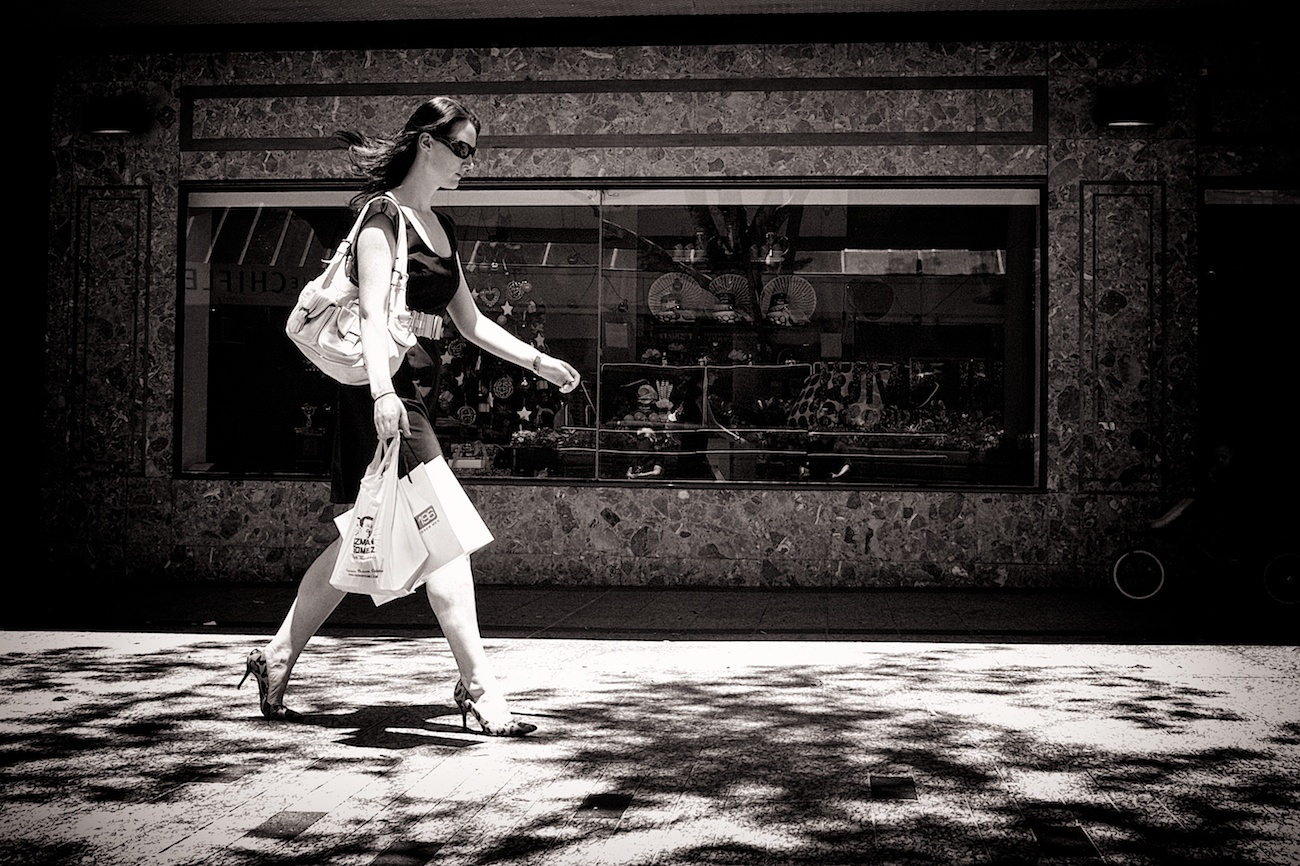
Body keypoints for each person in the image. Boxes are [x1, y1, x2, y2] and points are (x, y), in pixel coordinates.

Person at [239, 96, 581, 736]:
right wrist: (380, 397)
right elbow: (370, 315)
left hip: (406, 397)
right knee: (443, 537)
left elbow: (472, 324)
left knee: (361, 538)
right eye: (462, 150)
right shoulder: (382, 218)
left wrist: (540, 362)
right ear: (427, 143)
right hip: (379, 396)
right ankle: (478, 688)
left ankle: (277, 653)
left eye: (474, 154)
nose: (469, 164)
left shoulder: (440, 226)